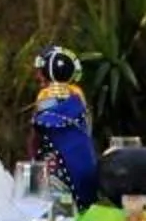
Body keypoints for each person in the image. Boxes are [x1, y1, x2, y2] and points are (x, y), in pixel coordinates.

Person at [27, 46, 99, 209]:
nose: (37, 75)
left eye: (40, 70)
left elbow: (36, 134)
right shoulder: (77, 96)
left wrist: (33, 161)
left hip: (55, 170)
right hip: (81, 164)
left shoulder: (46, 98)